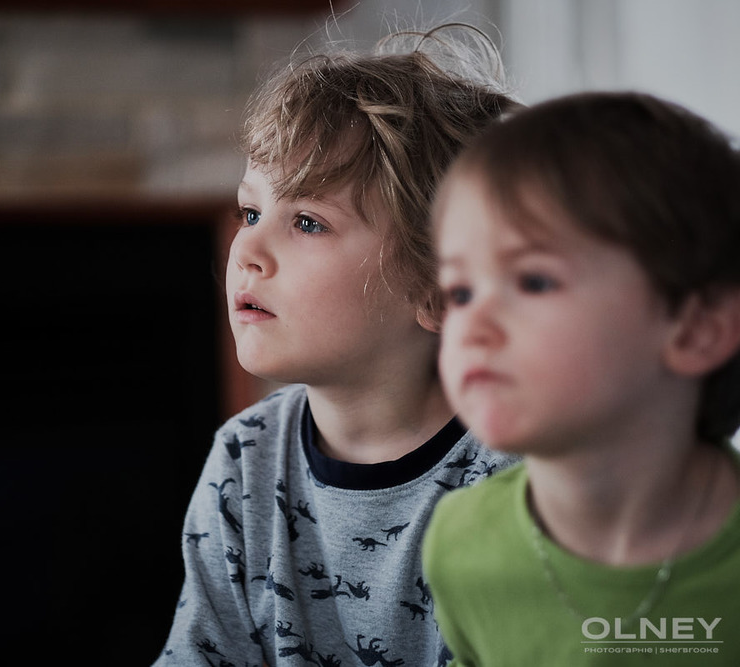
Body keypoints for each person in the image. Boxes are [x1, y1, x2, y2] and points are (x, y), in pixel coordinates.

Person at [153, 23, 520, 666]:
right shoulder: (244, 460)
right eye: (249, 212)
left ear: (439, 291)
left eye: (307, 222)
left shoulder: (517, 479)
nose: (247, 252)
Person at [423, 90, 740, 665]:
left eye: (534, 282)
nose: (473, 326)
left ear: (696, 331)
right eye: (461, 292)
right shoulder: (458, 545)